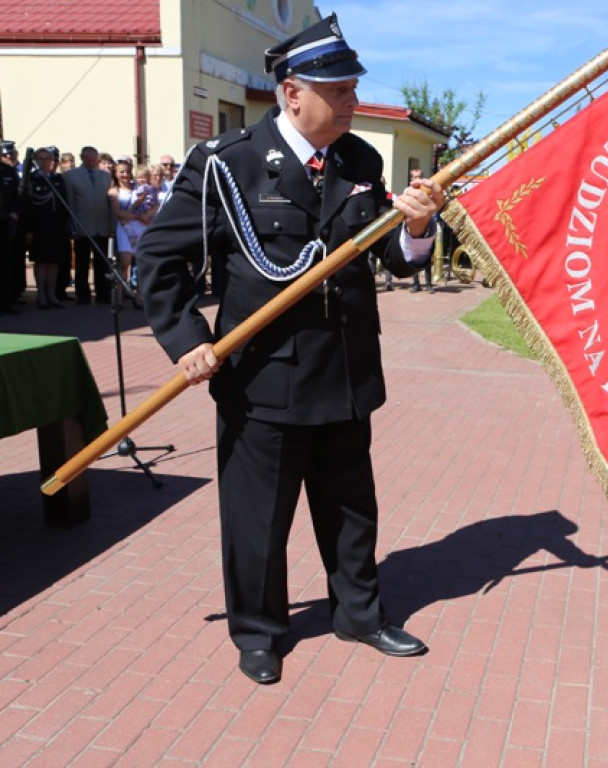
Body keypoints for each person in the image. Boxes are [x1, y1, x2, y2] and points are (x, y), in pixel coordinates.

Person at [137, 13, 443, 685]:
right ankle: (259, 632)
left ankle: (359, 614)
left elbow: (390, 258)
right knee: (258, 521)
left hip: (345, 371)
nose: (351, 104)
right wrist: (188, 340)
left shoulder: (360, 160)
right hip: (263, 381)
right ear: (291, 92)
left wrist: (417, 227)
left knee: (352, 510)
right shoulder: (227, 164)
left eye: (353, 90)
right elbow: (157, 263)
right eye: (337, 91)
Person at [20, 147, 71, 309]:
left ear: (52, 162)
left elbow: (64, 204)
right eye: (40, 159)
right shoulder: (32, 179)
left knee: (54, 261)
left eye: (46, 159)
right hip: (38, 226)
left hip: (56, 226)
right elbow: (27, 206)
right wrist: (28, 229)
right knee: (42, 262)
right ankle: (41, 295)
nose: (43, 162)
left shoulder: (57, 179)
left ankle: (52, 294)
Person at [63, 146, 114, 304]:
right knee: (82, 263)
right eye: (89, 159)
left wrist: (112, 225)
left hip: (102, 226)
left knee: (102, 263)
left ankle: (102, 294)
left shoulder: (106, 176)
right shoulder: (70, 176)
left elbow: (110, 202)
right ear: (82, 158)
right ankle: (83, 295)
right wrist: (72, 225)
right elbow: (70, 202)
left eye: (94, 160)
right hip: (82, 226)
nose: (92, 162)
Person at [110, 161, 155, 306]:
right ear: (116, 173)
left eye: (127, 171)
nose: (125, 175)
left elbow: (154, 203)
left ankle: (139, 297)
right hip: (124, 227)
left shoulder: (139, 187)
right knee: (124, 262)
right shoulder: (113, 191)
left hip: (141, 226)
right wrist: (137, 216)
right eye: (121, 172)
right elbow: (118, 212)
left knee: (141, 262)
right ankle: (119, 296)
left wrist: (147, 216)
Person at [0, 140, 22, 313]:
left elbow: (17, 196)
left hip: (6, 223)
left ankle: (6, 302)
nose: (8, 156)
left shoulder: (9, 171)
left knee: (6, 264)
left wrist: (14, 212)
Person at [408, 169, 435, 293]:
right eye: (414, 177)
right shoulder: (408, 192)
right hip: (413, 227)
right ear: (411, 179)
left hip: (427, 226)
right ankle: (415, 283)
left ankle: (429, 284)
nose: (417, 179)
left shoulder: (428, 192)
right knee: (414, 257)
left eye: (419, 177)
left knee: (427, 256)